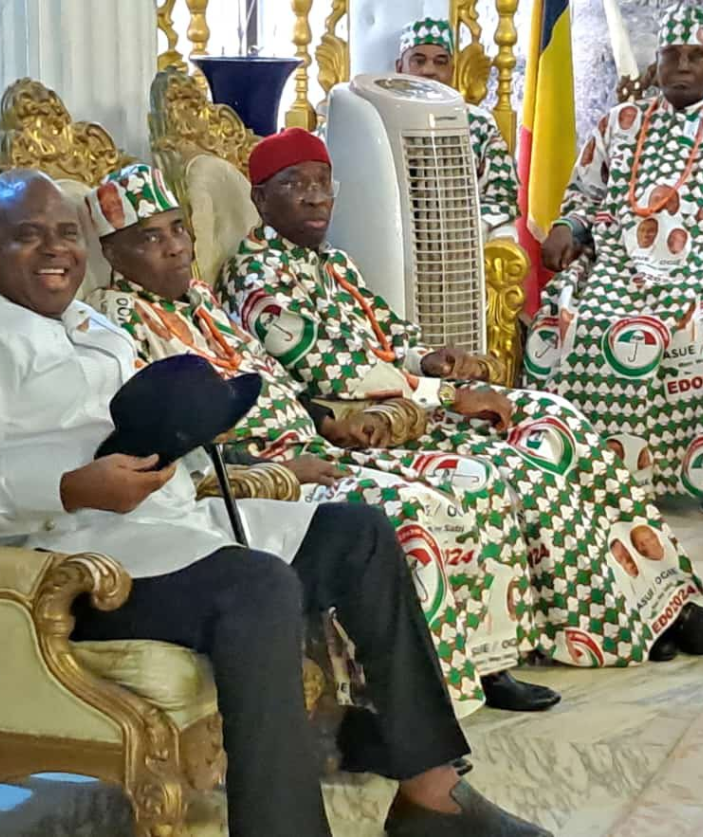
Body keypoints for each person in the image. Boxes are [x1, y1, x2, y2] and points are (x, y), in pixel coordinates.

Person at [0, 169, 552, 837]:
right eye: (27, 237)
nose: (55, 251)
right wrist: (71, 488)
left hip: (167, 523)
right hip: (67, 568)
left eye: (66, 234)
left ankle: (432, 796)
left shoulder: (88, 323)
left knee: (357, 533)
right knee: (256, 585)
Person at [218, 127, 703, 668]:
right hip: (366, 426)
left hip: (417, 401)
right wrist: (447, 393)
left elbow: (389, 337)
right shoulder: (255, 275)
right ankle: (612, 624)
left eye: (323, 182)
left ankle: (666, 603)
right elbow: (336, 371)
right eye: (294, 184)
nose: (314, 196)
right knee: (529, 471)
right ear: (260, 197)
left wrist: (433, 359)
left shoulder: (335, 265)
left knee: (559, 421)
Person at [83, 163, 560, 716]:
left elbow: (265, 379)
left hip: (315, 444)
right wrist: (286, 472)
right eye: (149, 237)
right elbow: (173, 451)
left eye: (177, 230)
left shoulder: (200, 299)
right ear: (114, 256)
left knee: (474, 484)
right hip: (253, 478)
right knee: (409, 513)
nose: (174, 247)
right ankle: (396, 712)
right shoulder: (118, 322)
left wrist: (326, 421)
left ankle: (485, 665)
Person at [530, 3, 703, 517]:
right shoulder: (617, 123)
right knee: (592, 327)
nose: (683, 66)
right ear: (657, 61)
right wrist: (566, 229)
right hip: (620, 263)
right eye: (672, 56)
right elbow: (584, 196)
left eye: (695, 56)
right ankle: (598, 472)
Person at [395, 17, 520, 238]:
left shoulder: (479, 124)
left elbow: (501, 196)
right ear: (399, 68)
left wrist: (467, 231)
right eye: (418, 60)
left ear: (452, 70)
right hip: (390, 234)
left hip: (460, 241)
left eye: (441, 61)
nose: (429, 71)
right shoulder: (375, 116)